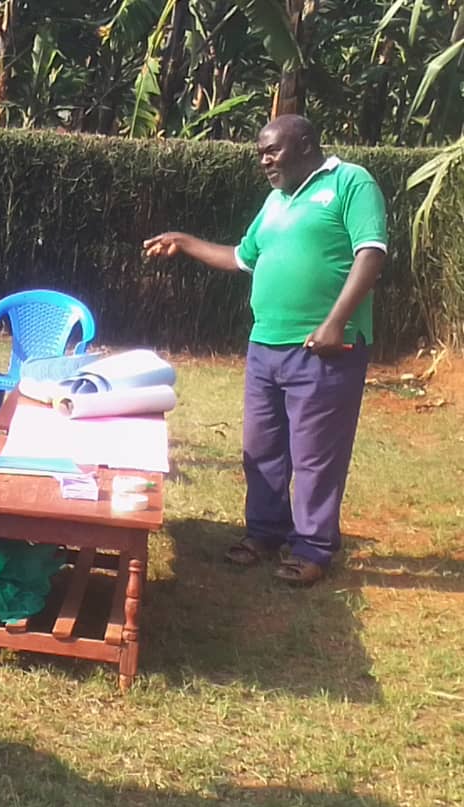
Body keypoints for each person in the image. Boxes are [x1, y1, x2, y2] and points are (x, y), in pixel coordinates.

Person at [143, 114, 387, 586]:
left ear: (306, 144)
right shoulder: (277, 201)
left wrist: (335, 323)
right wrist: (185, 241)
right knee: (261, 449)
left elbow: (371, 252)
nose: (265, 161)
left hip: (323, 349)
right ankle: (264, 532)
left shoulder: (350, 183)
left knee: (316, 454)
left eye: (272, 150)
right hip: (265, 346)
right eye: (260, 154)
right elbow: (241, 257)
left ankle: (313, 547)